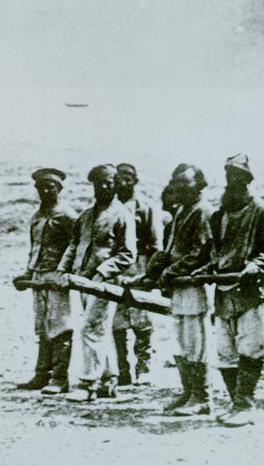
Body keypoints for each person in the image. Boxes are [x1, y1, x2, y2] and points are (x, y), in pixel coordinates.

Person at [194, 154, 264, 427]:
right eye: (229, 176)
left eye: (238, 177)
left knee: (251, 348)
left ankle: (245, 405)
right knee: (225, 351)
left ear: (247, 180)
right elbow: (216, 251)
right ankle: (235, 403)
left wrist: (257, 266)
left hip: (250, 292)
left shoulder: (261, 210)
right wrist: (205, 268)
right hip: (223, 291)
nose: (232, 181)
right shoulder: (221, 213)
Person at [58, 164, 136, 403]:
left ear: (117, 184)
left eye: (110, 182)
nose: (106, 186)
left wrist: (103, 272)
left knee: (92, 329)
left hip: (104, 284)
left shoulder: (122, 214)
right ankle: (108, 380)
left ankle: (87, 384)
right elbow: (74, 244)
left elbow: (127, 253)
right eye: (101, 182)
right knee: (100, 331)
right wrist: (63, 269)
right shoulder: (86, 215)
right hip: (81, 281)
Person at [147, 163, 215, 416]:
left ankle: (202, 397)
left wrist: (170, 272)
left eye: (185, 184)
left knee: (197, 339)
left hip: (195, 284)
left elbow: (200, 253)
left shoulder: (204, 211)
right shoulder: (181, 211)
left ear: (199, 184)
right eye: (176, 184)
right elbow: (171, 249)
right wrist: (155, 270)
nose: (180, 189)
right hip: (178, 284)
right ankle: (188, 392)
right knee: (182, 339)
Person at [12, 168, 78, 393]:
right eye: (42, 187)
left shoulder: (68, 215)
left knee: (61, 326)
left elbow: (76, 246)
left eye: (51, 187)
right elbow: (35, 248)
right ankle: (42, 375)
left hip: (57, 277)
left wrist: (65, 273)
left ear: (59, 189)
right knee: (42, 326)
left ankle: (60, 378)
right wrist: (28, 273)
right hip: (39, 276)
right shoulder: (37, 216)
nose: (46, 191)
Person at [113, 162, 163, 386]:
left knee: (142, 319)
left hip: (139, 265)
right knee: (116, 321)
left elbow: (155, 243)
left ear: (135, 180)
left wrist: (150, 273)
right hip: (114, 266)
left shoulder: (146, 207)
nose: (123, 181)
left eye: (128, 177)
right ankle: (121, 369)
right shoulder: (110, 206)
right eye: (119, 177)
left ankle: (144, 368)